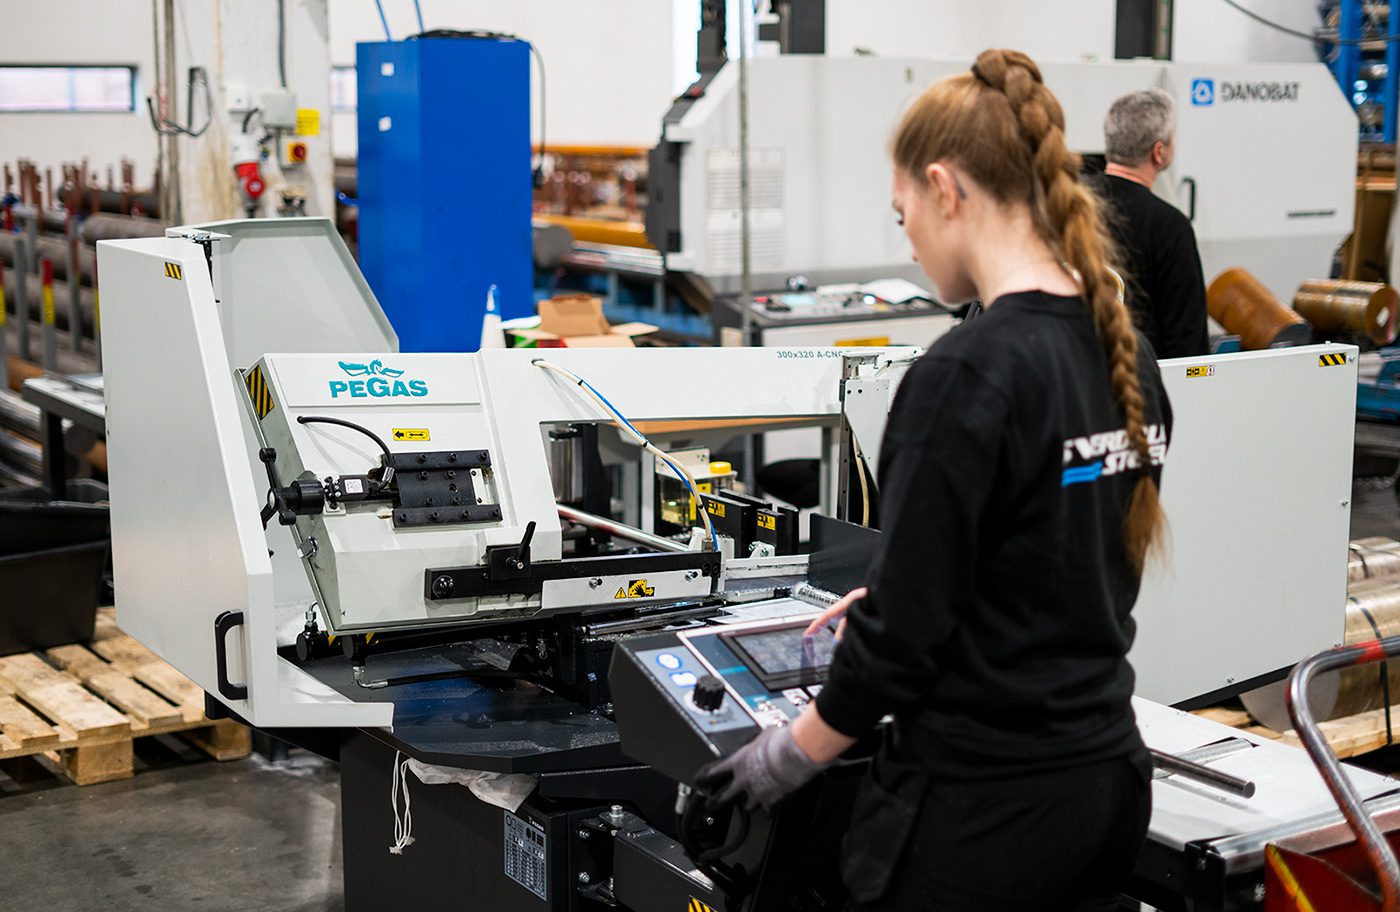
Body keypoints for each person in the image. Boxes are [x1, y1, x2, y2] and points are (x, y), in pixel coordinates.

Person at [696, 49, 1173, 911]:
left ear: (946, 190)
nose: (908, 238)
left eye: (903, 212)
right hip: (1104, 784)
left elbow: (899, 648)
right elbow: (1064, 560)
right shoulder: (1124, 352)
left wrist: (781, 760)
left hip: (980, 810)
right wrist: (906, 582)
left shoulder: (966, 373)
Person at [1096, 88, 1209, 358]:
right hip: (1137, 387)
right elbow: (1187, 343)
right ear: (1159, 152)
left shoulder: (1066, 204)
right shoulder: (1170, 227)